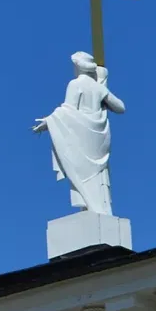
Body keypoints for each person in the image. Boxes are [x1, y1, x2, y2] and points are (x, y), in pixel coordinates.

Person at [33, 51, 126, 215]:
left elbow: (67, 110)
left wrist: (48, 121)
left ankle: (90, 207)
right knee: (97, 175)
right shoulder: (98, 88)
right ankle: (99, 209)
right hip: (98, 138)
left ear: (77, 66)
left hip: (82, 137)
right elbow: (120, 107)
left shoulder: (75, 84)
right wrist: (102, 89)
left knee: (83, 172)